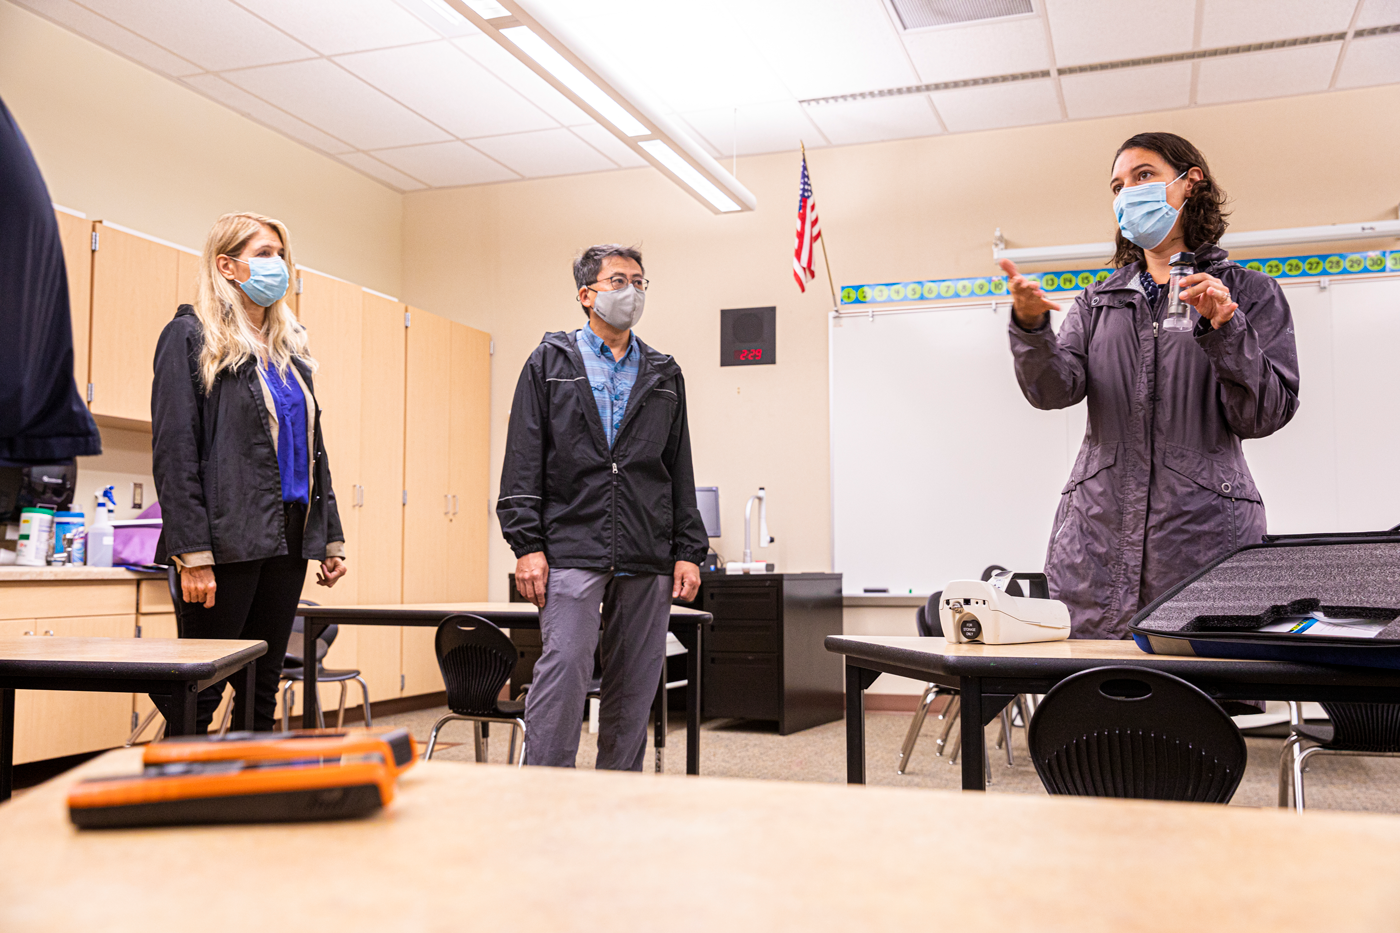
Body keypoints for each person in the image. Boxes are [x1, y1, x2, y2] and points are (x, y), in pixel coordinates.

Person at [1001, 132, 1299, 640]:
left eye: (1143, 177)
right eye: (1118, 186)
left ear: (1190, 183)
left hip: (1200, 531)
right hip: (1095, 532)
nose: (1128, 194)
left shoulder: (1251, 294)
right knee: (1093, 702)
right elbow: (1053, 390)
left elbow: (1264, 415)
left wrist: (1226, 330)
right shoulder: (1098, 301)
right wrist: (1030, 327)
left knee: (1193, 700)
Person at [498, 244, 706, 770]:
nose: (631, 291)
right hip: (571, 542)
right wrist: (527, 545)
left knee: (635, 682)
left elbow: (677, 466)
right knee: (564, 667)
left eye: (639, 281)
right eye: (618, 281)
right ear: (586, 294)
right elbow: (524, 457)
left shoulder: (663, 371)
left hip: (645, 545)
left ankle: (618, 794)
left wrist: (688, 549)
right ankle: (545, 788)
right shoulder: (549, 363)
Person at [151, 212, 347, 733]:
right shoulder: (190, 336)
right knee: (202, 688)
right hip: (225, 538)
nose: (277, 264)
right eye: (263, 254)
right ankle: (178, 800)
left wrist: (328, 540)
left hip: (288, 536)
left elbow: (312, 450)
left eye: (281, 253)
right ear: (227, 265)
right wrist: (191, 554)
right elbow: (175, 451)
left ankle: (250, 799)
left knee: (263, 683)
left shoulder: (290, 351)